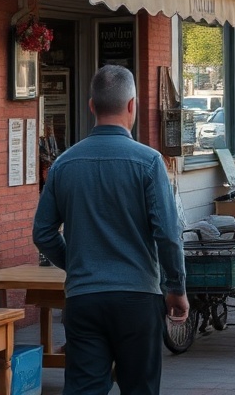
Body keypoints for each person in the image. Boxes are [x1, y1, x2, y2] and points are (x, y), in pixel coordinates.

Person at [33, 65, 188, 395]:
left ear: (91, 106)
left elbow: (43, 233)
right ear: (132, 105)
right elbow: (168, 234)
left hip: (84, 297)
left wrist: (75, 262)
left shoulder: (64, 164)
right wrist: (175, 286)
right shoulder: (148, 162)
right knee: (140, 388)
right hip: (139, 297)